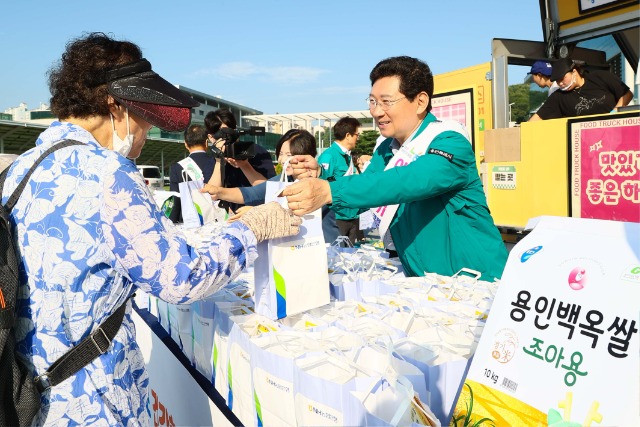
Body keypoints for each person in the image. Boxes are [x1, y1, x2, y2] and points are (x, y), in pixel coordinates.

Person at [3, 32, 300, 426]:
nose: (144, 133)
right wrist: (253, 227)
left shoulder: (20, 169)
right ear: (115, 104)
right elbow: (180, 278)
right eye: (144, 116)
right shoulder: (108, 173)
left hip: (28, 390)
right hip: (93, 396)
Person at [282, 55, 508, 281]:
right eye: (372, 101)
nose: (376, 112)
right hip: (425, 282)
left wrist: (330, 190)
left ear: (420, 101)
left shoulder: (450, 141)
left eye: (386, 102)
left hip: (476, 280)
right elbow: (356, 204)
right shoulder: (386, 150)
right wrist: (322, 177)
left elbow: (409, 180)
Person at [202, 129, 340, 243]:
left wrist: (258, 213)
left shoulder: (324, 182)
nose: (282, 160)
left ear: (307, 156)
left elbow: (298, 212)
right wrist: (218, 191)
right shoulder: (283, 179)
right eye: (280, 154)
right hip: (295, 248)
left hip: (325, 248)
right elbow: (252, 193)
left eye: (289, 155)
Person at [204, 109, 276, 213]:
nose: (228, 138)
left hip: (257, 214)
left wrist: (245, 165)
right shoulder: (213, 160)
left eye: (231, 132)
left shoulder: (255, 151)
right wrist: (219, 161)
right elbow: (210, 193)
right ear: (211, 138)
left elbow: (271, 189)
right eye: (222, 134)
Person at [529, 57, 633, 121]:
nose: (560, 83)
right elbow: (538, 118)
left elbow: (627, 94)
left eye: (562, 79)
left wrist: (614, 113)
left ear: (574, 72)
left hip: (616, 133)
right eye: (557, 81)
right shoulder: (558, 97)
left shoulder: (600, 77)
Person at [317, 117, 365, 244]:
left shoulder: (348, 155)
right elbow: (322, 184)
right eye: (356, 135)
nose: (358, 138)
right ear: (348, 135)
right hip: (337, 217)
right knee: (336, 256)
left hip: (352, 214)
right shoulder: (329, 156)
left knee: (350, 256)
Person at [169, 123, 216, 192]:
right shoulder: (217, 164)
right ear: (206, 143)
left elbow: (175, 198)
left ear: (186, 144)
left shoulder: (176, 168)